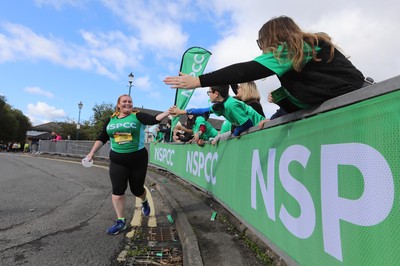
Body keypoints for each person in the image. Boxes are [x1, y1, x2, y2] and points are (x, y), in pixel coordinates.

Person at [164, 16, 367, 127]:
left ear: (272, 37)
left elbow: (245, 71)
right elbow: (310, 95)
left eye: (261, 42)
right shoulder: (304, 53)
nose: (261, 48)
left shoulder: (291, 48)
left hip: (359, 105)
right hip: (354, 101)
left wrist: (199, 80)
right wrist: (275, 118)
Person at [86, 94, 170, 235]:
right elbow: (102, 137)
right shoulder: (111, 119)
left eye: (130, 101)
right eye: (124, 101)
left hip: (138, 159)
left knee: (137, 190)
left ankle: (144, 201)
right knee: (118, 190)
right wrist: (91, 153)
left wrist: (168, 112)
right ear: (118, 104)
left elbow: (153, 119)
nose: (127, 103)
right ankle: (121, 221)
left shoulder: (138, 116)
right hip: (117, 160)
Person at [169, 85, 265, 144]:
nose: (209, 94)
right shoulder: (221, 105)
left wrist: (235, 133)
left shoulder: (230, 105)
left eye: (209, 92)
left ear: (216, 93)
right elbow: (203, 111)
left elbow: (248, 124)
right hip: (256, 132)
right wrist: (182, 112)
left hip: (262, 129)